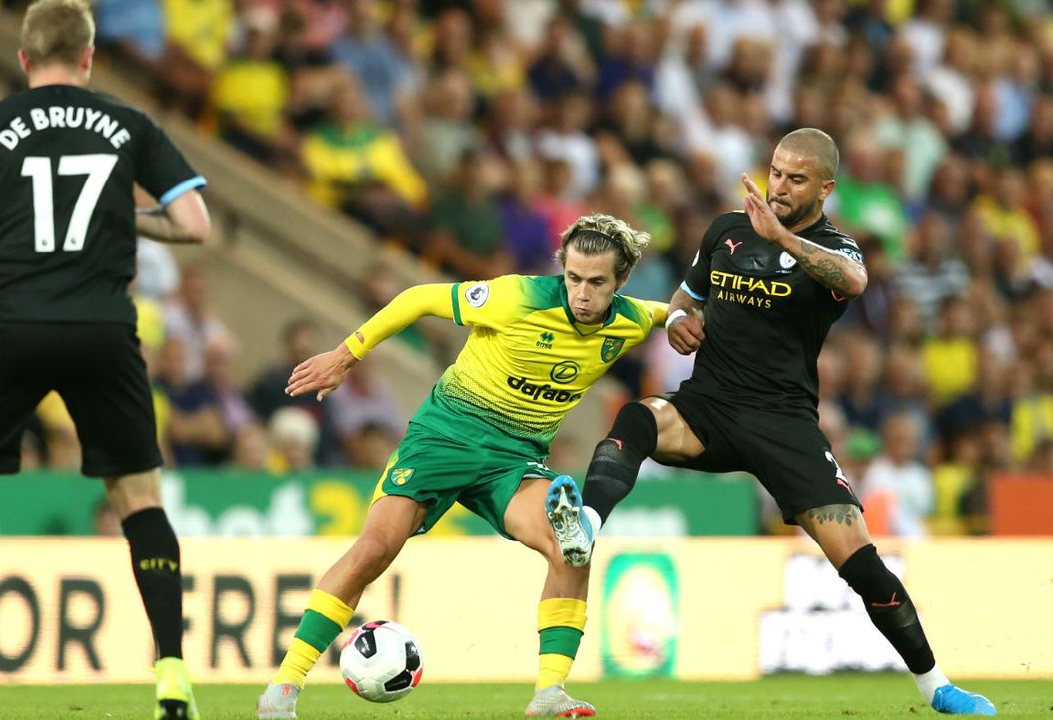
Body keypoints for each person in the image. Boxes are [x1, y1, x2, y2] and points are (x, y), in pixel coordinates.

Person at [545, 129, 997, 716]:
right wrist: (679, 319)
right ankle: (585, 523)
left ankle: (936, 687)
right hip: (710, 404)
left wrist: (782, 237)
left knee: (859, 561)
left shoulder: (837, 249)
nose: (780, 186)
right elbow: (687, 298)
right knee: (639, 416)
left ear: (826, 189)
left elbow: (854, 283)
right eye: (777, 172)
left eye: (797, 179)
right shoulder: (725, 232)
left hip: (784, 423)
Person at [0, 2, 210, 719]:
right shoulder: (131, 123)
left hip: (12, 325)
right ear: (89, 57)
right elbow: (194, 225)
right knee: (141, 501)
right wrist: (125, 219)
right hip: (102, 328)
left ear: (24, 58)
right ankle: (173, 675)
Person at [257, 213, 667, 719]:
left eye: (597, 283)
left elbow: (681, 315)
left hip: (515, 458)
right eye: (574, 278)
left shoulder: (633, 318)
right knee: (376, 548)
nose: (582, 293)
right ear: (562, 269)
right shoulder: (517, 297)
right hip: (446, 436)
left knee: (571, 549)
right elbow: (418, 298)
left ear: (620, 282)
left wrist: (699, 321)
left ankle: (549, 694)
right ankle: (283, 689)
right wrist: (347, 353)